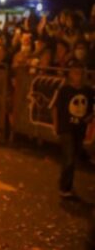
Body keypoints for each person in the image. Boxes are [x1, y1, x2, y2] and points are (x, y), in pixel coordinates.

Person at [51, 60, 94, 198]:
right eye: (75, 73)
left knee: (72, 158)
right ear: (70, 74)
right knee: (68, 157)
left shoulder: (88, 91)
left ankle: (66, 182)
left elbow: (92, 108)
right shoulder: (64, 90)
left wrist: (90, 117)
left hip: (80, 129)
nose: (78, 76)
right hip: (66, 128)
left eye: (80, 73)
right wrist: (56, 125)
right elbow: (55, 108)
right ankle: (64, 188)